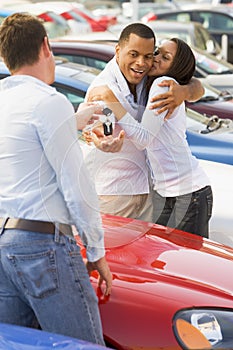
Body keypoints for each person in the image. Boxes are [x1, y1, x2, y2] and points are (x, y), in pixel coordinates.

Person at [0, 13, 112, 344]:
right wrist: (97, 251)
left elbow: (23, 148)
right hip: (42, 246)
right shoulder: (49, 101)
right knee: (83, 345)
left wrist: (72, 120)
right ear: (46, 46)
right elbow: (77, 188)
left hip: (5, 243)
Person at [87, 38, 213, 238]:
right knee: (165, 260)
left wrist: (111, 99)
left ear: (176, 66)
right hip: (167, 193)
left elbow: (142, 138)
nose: (154, 59)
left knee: (186, 265)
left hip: (189, 194)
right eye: (157, 52)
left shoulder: (164, 85)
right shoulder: (148, 79)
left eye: (165, 57)